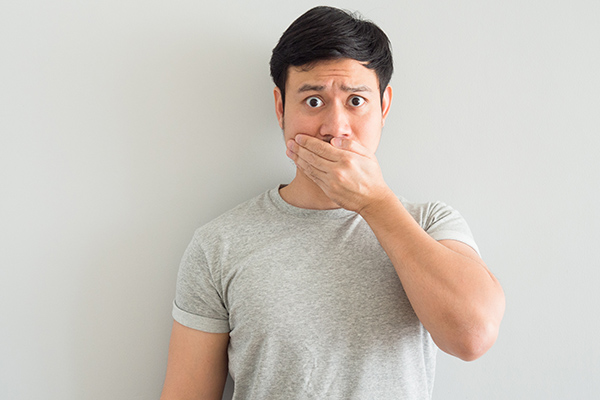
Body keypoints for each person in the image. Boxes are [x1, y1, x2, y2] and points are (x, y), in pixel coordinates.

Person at [160, 6, 505, 400]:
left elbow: (473, 337)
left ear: (384, 107)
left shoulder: (431, 224)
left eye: (356, 101)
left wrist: (375, 203)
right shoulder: (218, 246)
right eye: (313, 101)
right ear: (280, 108)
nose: (334, 127)